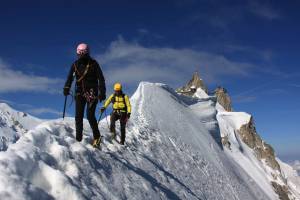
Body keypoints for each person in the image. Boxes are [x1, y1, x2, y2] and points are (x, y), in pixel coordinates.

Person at [63, 43, 106, 148]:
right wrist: (67, 87)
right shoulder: (76, 65)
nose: (81, 54)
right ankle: (79, 140)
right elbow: (70, 78)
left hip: (92, 93)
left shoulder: (93, 64)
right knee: (79, 116)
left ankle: (96, 137)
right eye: (80, 52)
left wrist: (102, 92)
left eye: (82, 52)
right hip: (83, 93)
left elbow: (101, 78)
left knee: (89, 116)